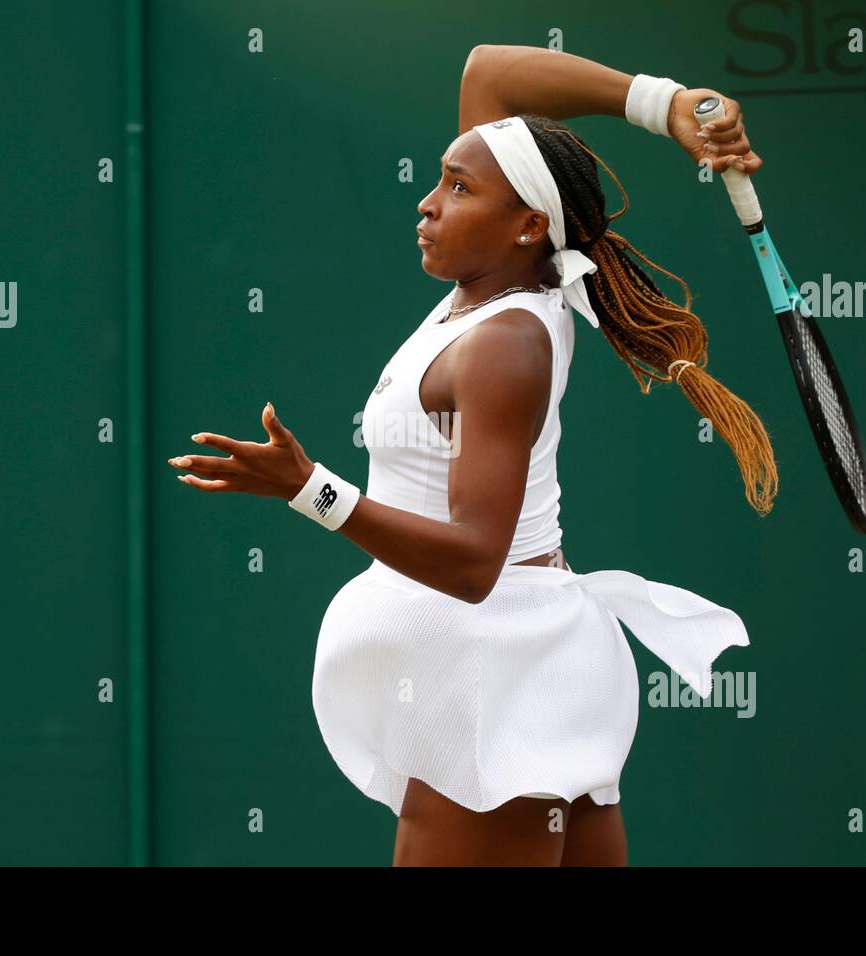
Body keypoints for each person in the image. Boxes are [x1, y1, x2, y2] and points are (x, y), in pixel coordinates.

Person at [169, 44, 778, 866]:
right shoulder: (493, 286)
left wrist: (310, 488)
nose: (427, 203)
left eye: (458, 188)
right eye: (440, 179)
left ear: (529, 225)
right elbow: (487, 71)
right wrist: (662, 103)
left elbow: (472, 565)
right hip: (516, 665)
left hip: (492, 682)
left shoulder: (503, 344)